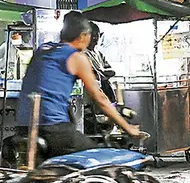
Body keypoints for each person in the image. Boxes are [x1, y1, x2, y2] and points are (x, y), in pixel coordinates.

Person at [18, 11, 142, 159]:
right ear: (83, 35)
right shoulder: (76, 57)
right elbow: (99, 98)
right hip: (54, 129)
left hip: (24, 126)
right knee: (98, 159)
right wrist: (128, 127)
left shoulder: (43, 50)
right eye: (90, 35)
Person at [85, 22, 117, 103]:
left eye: (97, 35)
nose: (95, 38)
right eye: (92, 35)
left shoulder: (99, 54)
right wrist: (102, 73)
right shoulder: (82, 53)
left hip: (105, 92)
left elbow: (112, 71)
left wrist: (102, 72)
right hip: (92, 94)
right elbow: (94, 74)